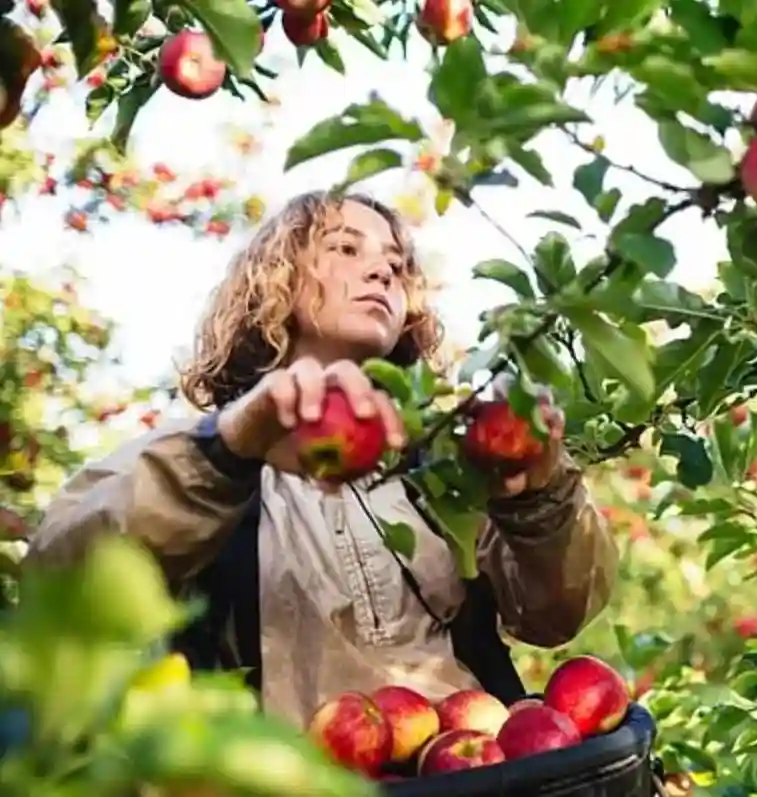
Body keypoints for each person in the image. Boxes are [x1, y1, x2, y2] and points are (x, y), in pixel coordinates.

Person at [26, 190, 618, 728]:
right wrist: (229, 453)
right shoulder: (200, 455)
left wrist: (541, 498)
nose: (383, 268)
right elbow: (66, 577)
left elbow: (556, 616)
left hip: (470, 772)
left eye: (395, 260)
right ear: (278, 279)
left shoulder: (441, 468)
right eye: (345, 247)